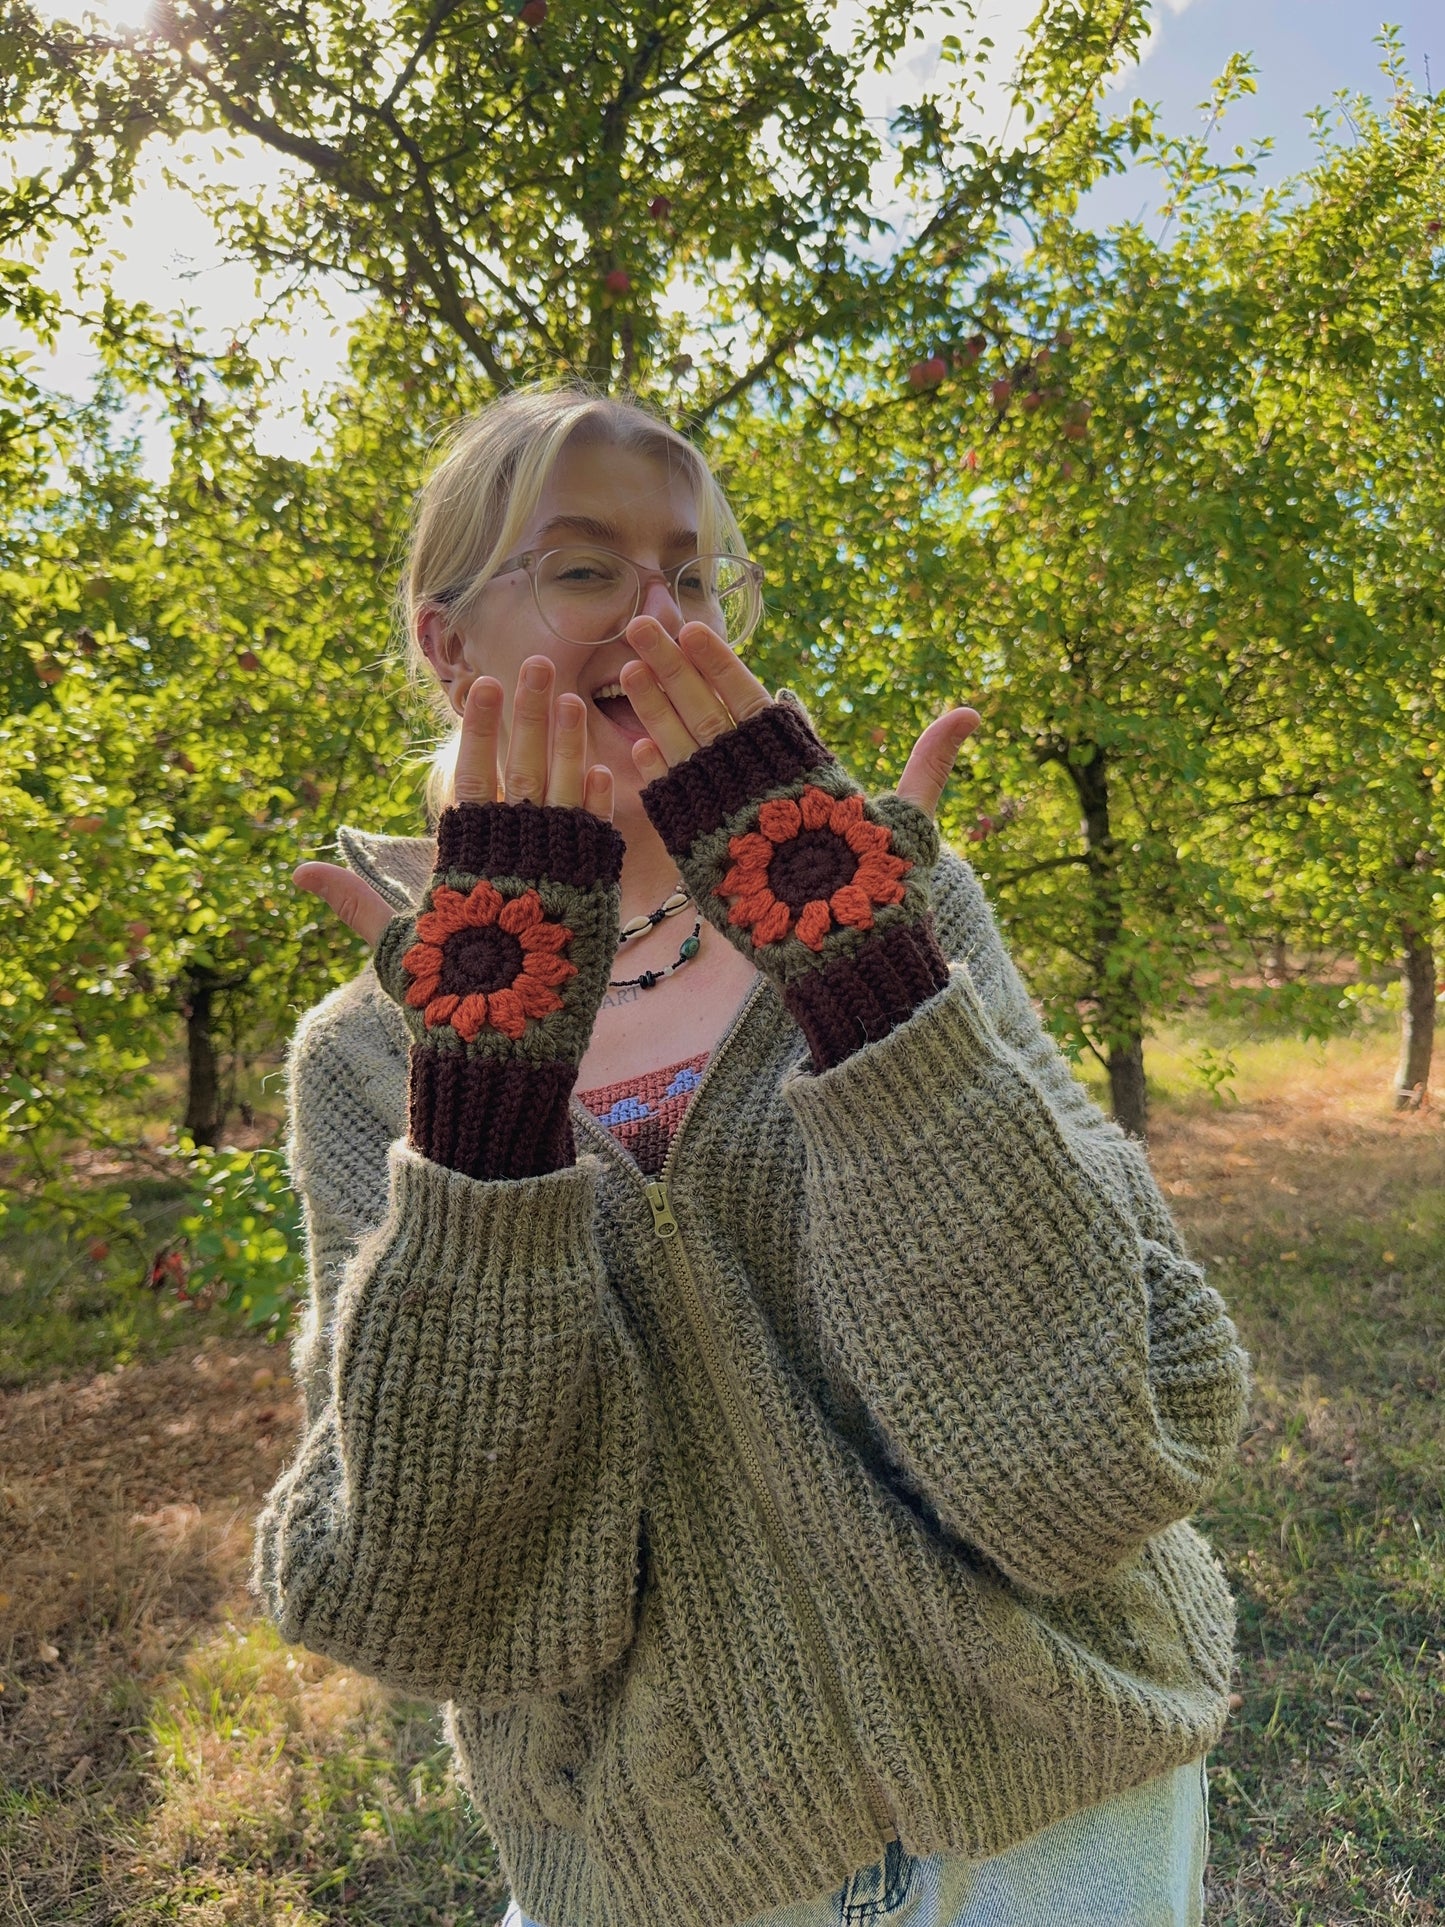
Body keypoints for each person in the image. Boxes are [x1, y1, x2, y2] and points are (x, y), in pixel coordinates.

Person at [255, 381, 1251, 1927]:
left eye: (697, 574)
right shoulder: (373, 1058)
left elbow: (1101, 1455)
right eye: (586, 567)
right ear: (445, 640)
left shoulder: (885, 907)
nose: (659, 614)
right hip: (667, 1861)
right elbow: (433, 1596)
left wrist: (873, 993)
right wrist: (487, 1120)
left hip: (1061, 1794)